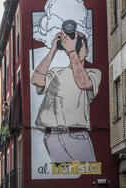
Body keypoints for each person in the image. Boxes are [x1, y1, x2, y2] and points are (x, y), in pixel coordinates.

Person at [31, 31, 101, 163]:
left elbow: (83, 83)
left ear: (87, 51)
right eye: (75, 45)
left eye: (80, 45)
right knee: (62, 175)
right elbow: (36, 80)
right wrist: (53, 49)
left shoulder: (94, 72)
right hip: (51, 135)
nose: (77, 48)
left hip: (77, 133)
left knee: (86, 174)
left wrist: (72, 51)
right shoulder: (56, 72)